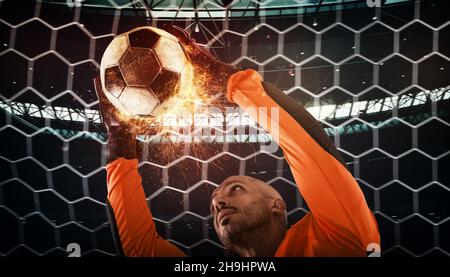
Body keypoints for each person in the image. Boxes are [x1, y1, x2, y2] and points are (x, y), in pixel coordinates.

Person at [94, 25, 380, 257]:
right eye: (217, 200)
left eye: (236, 188)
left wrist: (120, 155)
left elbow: (310, 153)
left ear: (277, 205)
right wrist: (228, 80)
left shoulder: (341, 242)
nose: (217, 201)